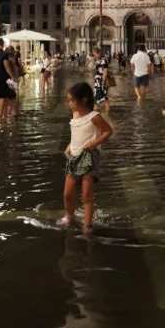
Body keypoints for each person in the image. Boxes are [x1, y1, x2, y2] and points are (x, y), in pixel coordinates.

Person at [58, 82, 114, 235]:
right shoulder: (75, 115)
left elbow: (108, 131)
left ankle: (87, 225)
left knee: (87, 194)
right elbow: (76, 133)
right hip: (74, 156)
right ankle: (69, 216)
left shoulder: (94, 117)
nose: (69, 103)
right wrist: (70, 145)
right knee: (67, 193)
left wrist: (94, 143)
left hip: (89, 156)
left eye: (72, 100)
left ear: (82, 101)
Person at [91, 47, 110, 112]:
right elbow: (95, 70)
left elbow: (105, 71)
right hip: (97, 81)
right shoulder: (97, 61)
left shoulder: (103, 61)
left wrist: (103, 82)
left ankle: (107, 112)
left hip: (101, 81)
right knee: (96, 96)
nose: (94, 56)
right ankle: (96, 110)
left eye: (95, 54)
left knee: (104, 97)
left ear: (98, 53)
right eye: (93, 54)